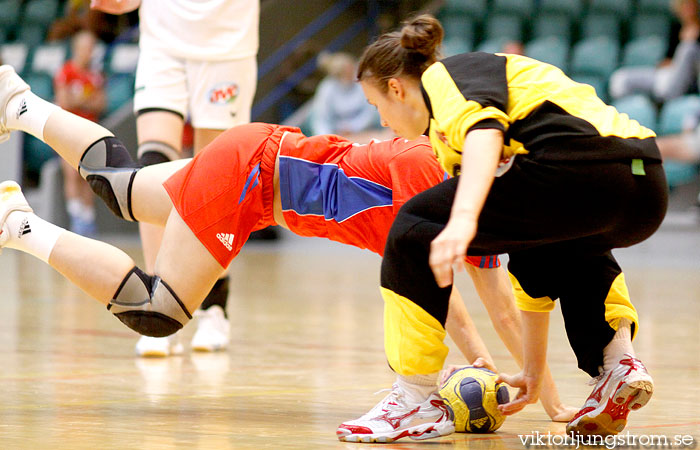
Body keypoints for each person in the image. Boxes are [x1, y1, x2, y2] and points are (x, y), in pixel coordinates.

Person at [0, 65, 575, 423]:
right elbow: (494, 302)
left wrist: (482, 364)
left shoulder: (445, 171)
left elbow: (443, 289)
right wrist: (550, 403)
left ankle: (17, 102)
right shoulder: (437, 174)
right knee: (160, 312)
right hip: (251, 179)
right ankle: (21, 226)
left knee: (123, 190)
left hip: (257, 158)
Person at [340, 14, 668, 442]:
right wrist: (534, 370)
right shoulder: (475, 121)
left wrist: (461, 220)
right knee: (558, 248)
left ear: (397, 89)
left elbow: (483, 131)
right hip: (641, 187)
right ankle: (617, 363)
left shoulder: (445, 79)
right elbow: (532, 266)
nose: (382, 120)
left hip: (584, 167)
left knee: (413, 229)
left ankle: (414, 399)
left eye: (376, 105)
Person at [90, 0, 260, 356]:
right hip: (162, 39)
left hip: (226, 43)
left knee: (215, 182)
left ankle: (214, 305)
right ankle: (159, 304)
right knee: (151, 168)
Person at [54, 29, 106, 237]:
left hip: (90, 132)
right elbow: (64, 102)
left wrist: (82, 102)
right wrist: (87, 101)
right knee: (72, 173)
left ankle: (87, 218)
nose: (89, 53)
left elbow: (101, 103)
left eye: (92, 49)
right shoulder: (66, 71)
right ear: (77, 49)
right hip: (68, 131)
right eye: (86, 48)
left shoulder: (95, 75)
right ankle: (76, 217)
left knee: (89, 176)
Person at [609, 0, 700, 102]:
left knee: (688, 48)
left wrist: (689, 40)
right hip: (669, 73)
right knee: (620, 78)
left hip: (685, 81)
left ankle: (660, 98)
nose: (688, 10)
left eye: (691, 6)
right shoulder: (676, 27)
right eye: (685, 6)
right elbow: (667, 58)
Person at [309, 52, 381, 137]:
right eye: (346, 72)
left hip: (365, 130)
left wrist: (353, 128)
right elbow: (320, 119)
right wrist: (326, 138)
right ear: (337, 74)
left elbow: (371, 112)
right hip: (337, 134)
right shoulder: (327, 88)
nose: (351, 73)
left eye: (352, 69)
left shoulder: (362, 81)